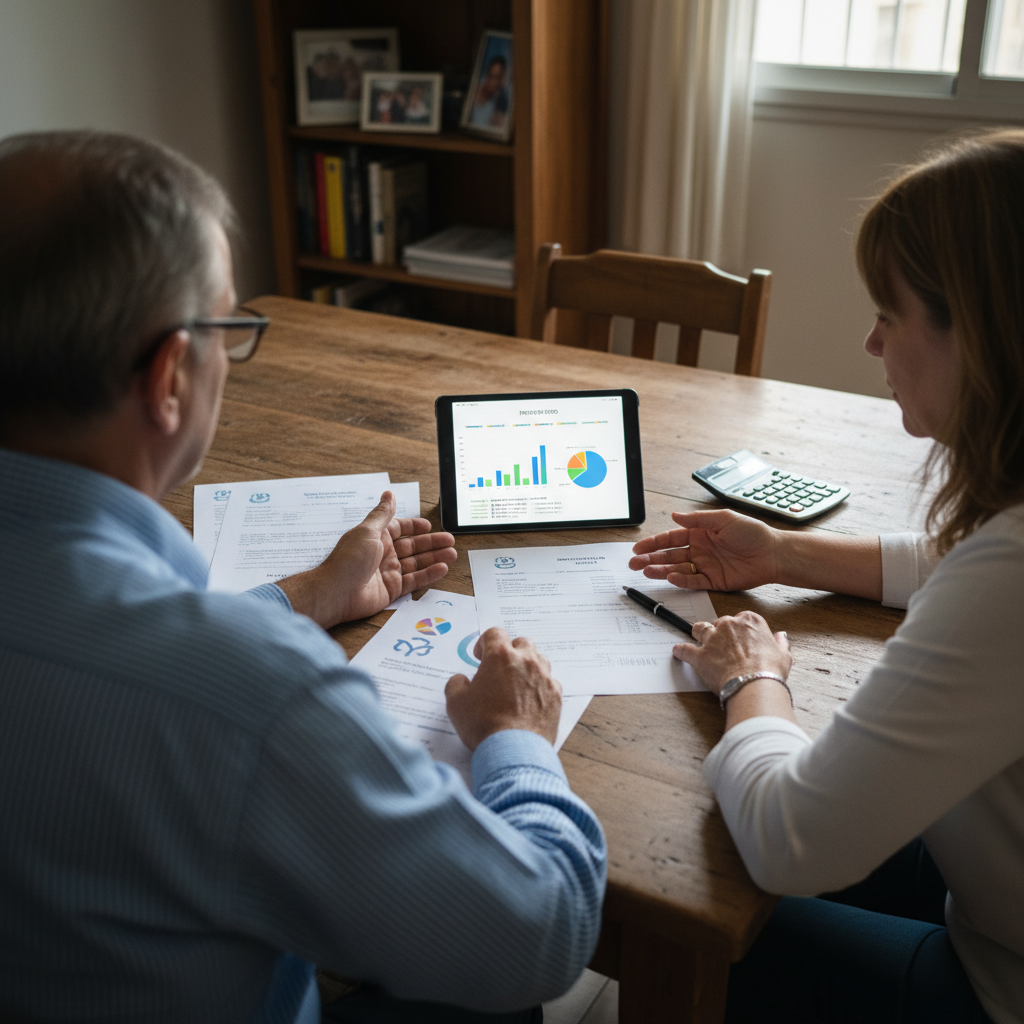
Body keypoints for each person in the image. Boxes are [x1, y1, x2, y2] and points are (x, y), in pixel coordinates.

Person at [0, 131, 606, 1023]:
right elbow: (539, 933)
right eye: (226, 329)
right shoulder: (249, 696)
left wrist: (312, 594)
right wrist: (517, 739)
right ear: (170, 374)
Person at [630, 128, 1024, 1024]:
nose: (870, 339)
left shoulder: (1012, 574)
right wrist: (785, 553)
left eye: (891, 312)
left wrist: (751, 679)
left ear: (985, 328)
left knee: (692, 911)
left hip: (997, 985)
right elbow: (954, 565)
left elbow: (788, 843)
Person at [470, 54, 509, 129]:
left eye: (497, 77)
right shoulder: (477, 91)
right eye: (491, 76)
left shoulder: (503, 99)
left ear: (502, 79)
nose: (493, 82)